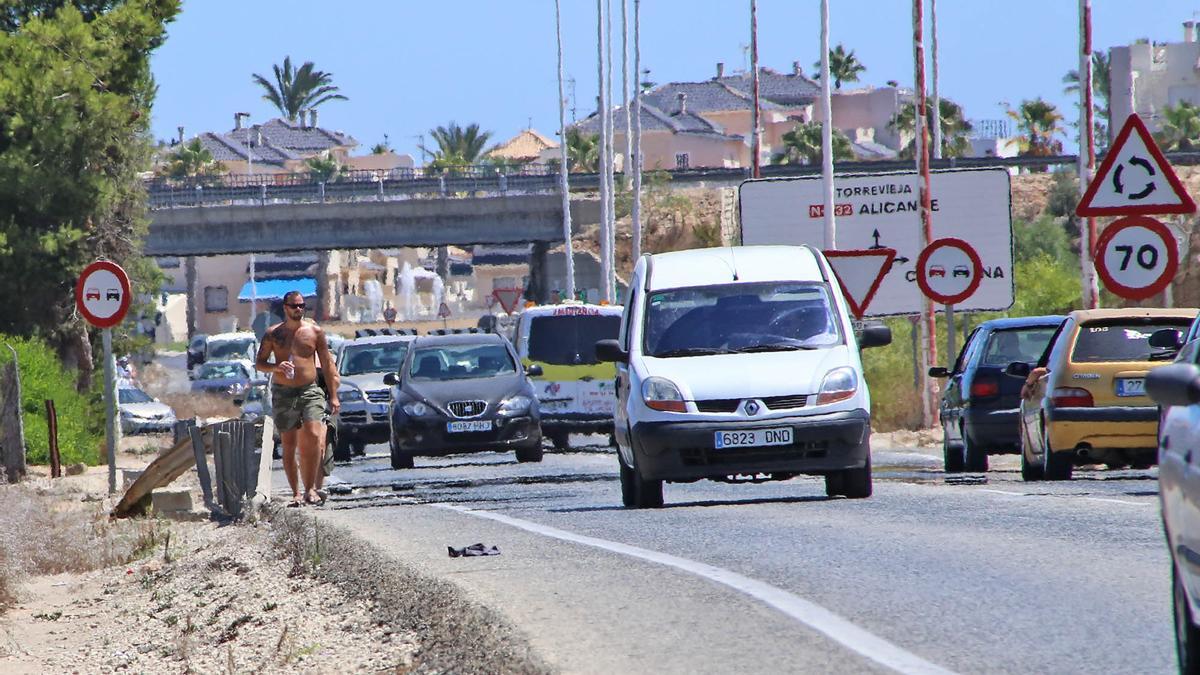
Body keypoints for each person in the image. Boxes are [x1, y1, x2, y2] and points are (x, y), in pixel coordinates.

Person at [254, 290, 340, 507]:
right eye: (294, 306)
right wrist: (276, 366)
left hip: (309, 390)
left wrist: (334, 396)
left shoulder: (315, 332)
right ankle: (296, 492)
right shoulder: (273, 334)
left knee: (312, 435)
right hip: (284, 392)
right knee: (289, 443)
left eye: (302, 306)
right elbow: (259, 363)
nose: (299, 310)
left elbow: (327, 365)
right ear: (285, 308)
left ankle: (311, 488)